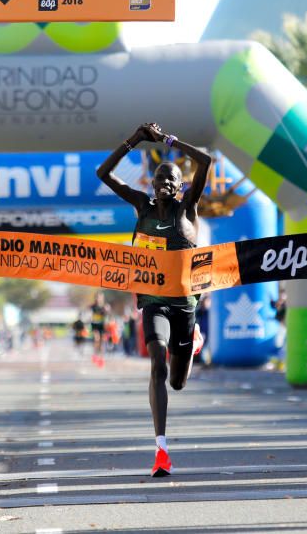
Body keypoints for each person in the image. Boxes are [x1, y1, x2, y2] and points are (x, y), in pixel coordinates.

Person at [97, 122, 210, 477]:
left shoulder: (187, 210)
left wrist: (171, 141)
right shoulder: (141, 206)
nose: (162, 183)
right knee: (157, 364)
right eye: (158, 178)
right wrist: (134, 140)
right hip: (152, 300)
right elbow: (104, 173)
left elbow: (205, 161)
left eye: (170, 179)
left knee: (177, 381)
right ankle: (161, 448)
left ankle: (190, 344)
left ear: (179, 188)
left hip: (184, 304)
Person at [89, 291, 110, 367]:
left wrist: (107, 311)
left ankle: (101, 358)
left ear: (103, 298)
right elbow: (89, 315)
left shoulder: (105, 306)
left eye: (101, 297)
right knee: (96, 338)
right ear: (96, 298)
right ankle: (95, 354)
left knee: (101, 343)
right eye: (98, 297)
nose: (99, 298)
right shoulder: (92, 306)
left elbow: (108, 316)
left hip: (102, 326)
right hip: (95, 325)